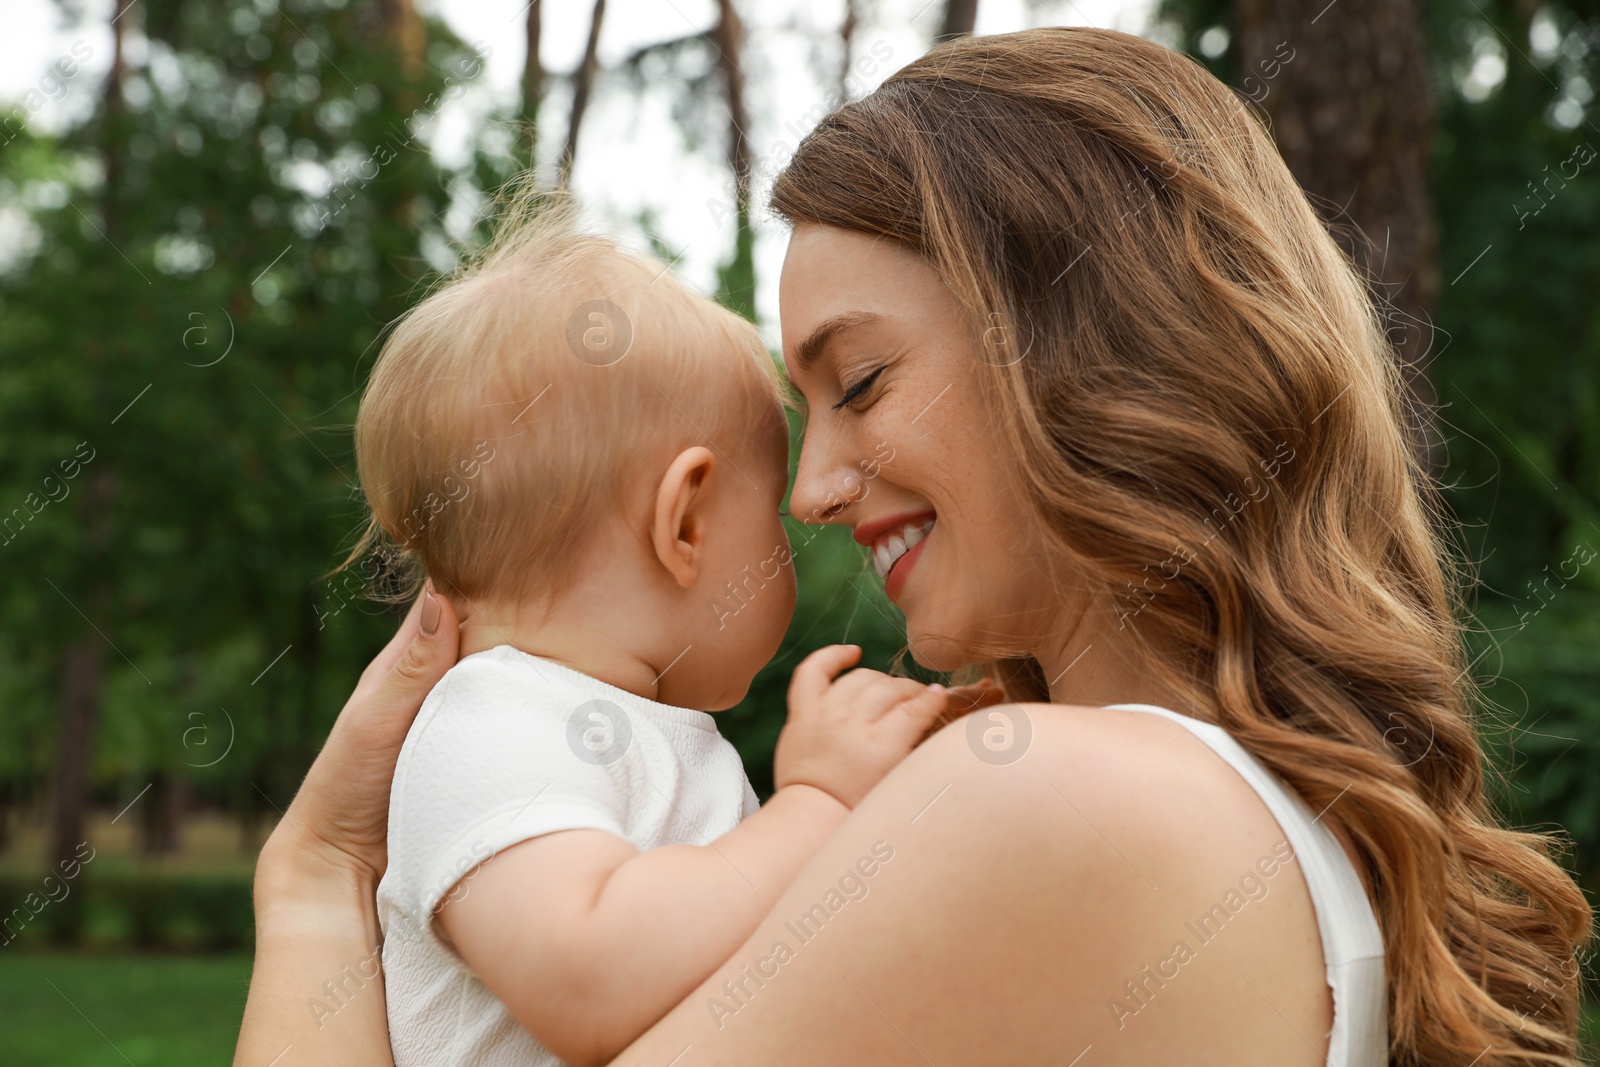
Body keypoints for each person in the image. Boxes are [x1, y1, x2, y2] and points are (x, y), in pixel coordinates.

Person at [235, 26, 1593, 1067]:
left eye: (863, 382)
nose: (816, 487)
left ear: (1087, 350)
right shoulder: (1245, 811)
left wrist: (309, 889)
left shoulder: (1054, 799)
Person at [349, 207, 970, 1066]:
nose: (801, 516)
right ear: (683, 525)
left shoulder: (612, 731)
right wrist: (819, 806)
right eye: (768, 516)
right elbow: (589, 981)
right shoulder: (487, 725)